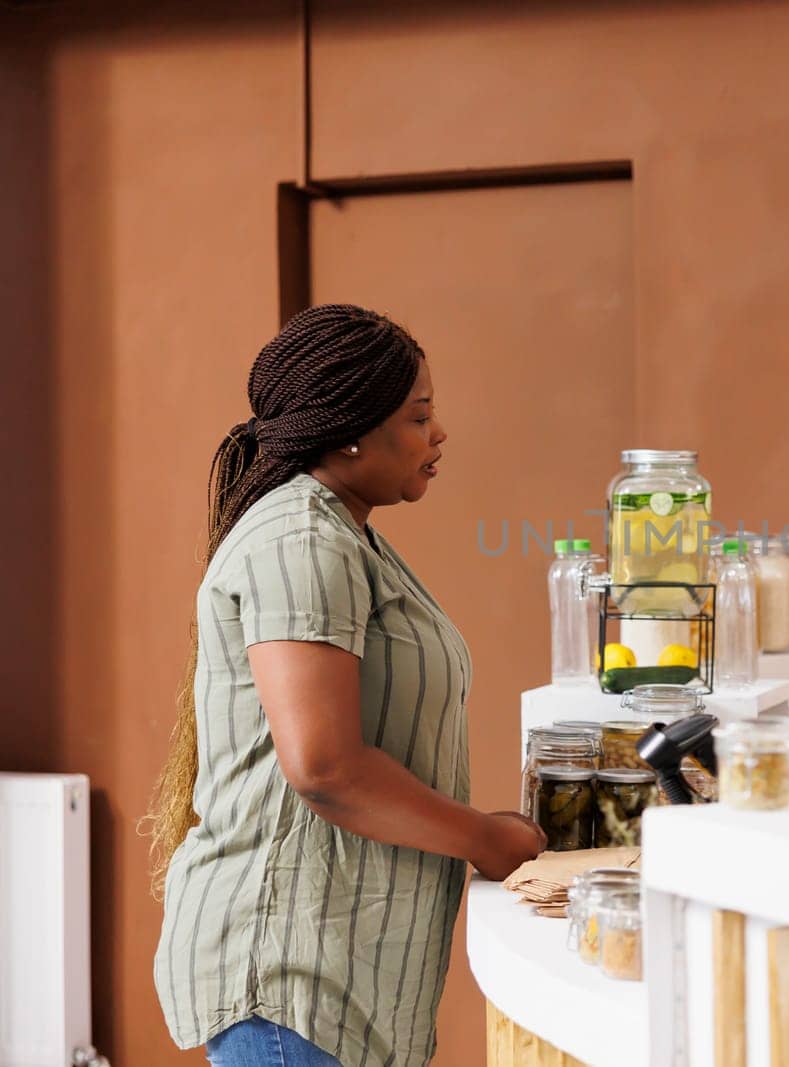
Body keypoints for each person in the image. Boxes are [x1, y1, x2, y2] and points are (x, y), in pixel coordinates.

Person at [148, 304, 546, 1067]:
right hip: (291, 985)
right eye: (418, 416)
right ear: (351, 429)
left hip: (336, 983)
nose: (438, 435)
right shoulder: (301, 536)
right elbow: (325, 767)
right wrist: (483, 839)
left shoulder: (345, 531)